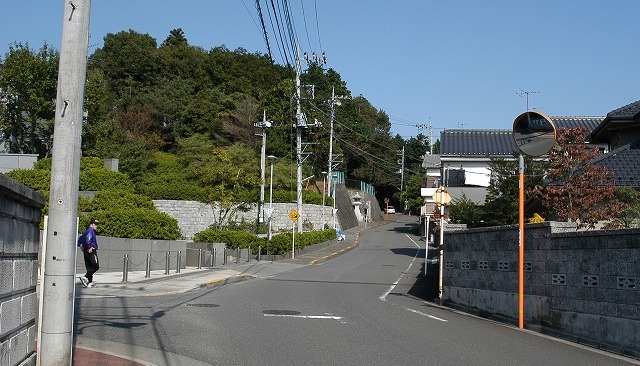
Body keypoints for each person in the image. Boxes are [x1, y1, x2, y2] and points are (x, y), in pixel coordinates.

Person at [78, 219, 100, 287]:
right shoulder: (91, 231)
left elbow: (80, 239)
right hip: (91, 250)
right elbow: (88, 239)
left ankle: (89, 282)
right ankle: (85, 277)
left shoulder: (87, 231)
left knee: (89, 266)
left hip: (86, 250)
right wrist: (89, 246)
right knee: (96, 266)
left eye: (97, 224)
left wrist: (81, 245)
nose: (96, 226)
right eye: (95, 224)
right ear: (91, 224)